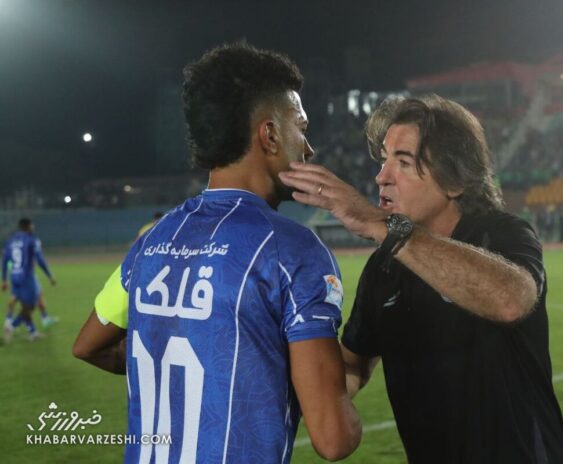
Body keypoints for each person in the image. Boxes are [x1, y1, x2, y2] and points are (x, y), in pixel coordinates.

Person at [73, 42, 361, 463]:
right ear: (269, 134)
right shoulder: (292, 250)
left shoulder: (152, 240)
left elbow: (88, 346)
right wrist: (365, 358)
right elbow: (334, 439)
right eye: (302, 127)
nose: (309, 149)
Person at [279, 95, 563, 463]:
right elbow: (352, 365)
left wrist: (384, 227)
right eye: (383, 160)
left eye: (403, 162)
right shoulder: (384, 267)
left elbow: (511, 300)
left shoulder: (499, 233)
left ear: (454, 180)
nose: (382, 177)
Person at [2, 218, 57, 343]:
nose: (33, 227)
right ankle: (11, 326)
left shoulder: (11, 240)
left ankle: (32, 332)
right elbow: (40, 259)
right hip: (26, 277)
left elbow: (5, 260)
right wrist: (50, 275)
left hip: (14, 276)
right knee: (30, 306)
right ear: (28, 226)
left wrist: (4, 279)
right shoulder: (32, 239)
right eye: (32, 225)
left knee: (24, 304)